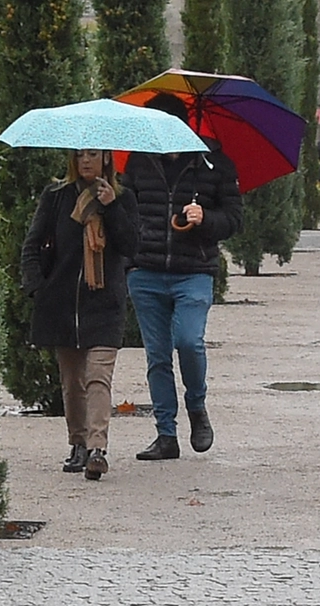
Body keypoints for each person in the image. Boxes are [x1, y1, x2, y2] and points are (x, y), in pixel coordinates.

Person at [123, 92, 244, 462]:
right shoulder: (138, 164)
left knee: (189, 342)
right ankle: (166, 434)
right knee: (157, 356)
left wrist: (205, 218)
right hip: (145, 272)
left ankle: (197, 406)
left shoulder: (213, 164)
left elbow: (234, 220)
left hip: (194, 271)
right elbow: (126, 215)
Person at [20, 149, 138, 480]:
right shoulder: (56, 195)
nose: (86, 161)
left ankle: (98, 448)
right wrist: (36, 286)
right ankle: (78, 443)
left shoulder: (123, 196)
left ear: (106, 159)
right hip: (62, 303)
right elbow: (33, 243)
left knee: (98, 376)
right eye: (80, 155)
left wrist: (111, 205)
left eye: (94, 155)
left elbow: (131, 245)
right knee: (73, 383)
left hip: (104, 302)